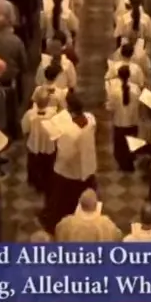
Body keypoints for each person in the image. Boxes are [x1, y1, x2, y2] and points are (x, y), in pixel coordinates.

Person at [43, 96, 98, 230]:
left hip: (71, 171)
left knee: (64, 199)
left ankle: (58, 222)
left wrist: (58, 139)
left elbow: (65, 154)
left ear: (70, 111)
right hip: (88, 165)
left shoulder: (70, 132)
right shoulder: (90, 119)